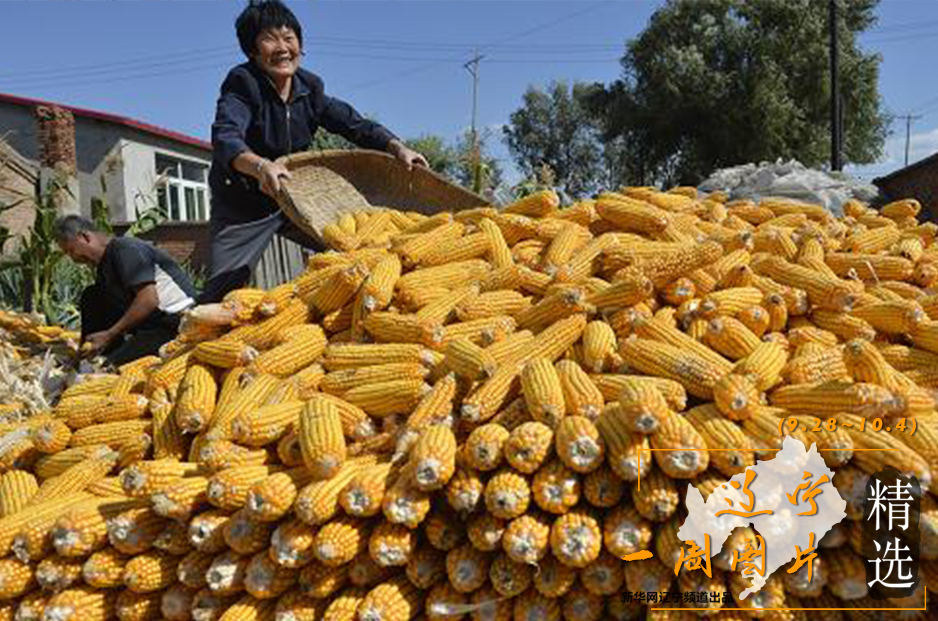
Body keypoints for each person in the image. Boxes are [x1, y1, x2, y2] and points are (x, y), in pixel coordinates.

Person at [200, 0, 428, 303]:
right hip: (245, 202)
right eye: (269, 39)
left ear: (301, 45)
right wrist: (260, 167)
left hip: (297, 197)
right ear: (252, 51)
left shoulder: (310, 88)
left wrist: (396, 146)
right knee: (222, 290)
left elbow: (353, 124)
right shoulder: (243, 84)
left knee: (357, 251)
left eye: (289, 37)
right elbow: (226, 137)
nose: (282, 47)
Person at [54, 215, 197, 367]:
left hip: (175, 322)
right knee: (93, 295)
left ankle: (110, 359)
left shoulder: (126, 249)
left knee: (113, 367)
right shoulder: (104, 267)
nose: (73, 258)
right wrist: (82, 351)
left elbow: (148, 300)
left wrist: (109, 334)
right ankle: (94, 356)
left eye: (71, 250)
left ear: (85, 237)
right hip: (149, 324)